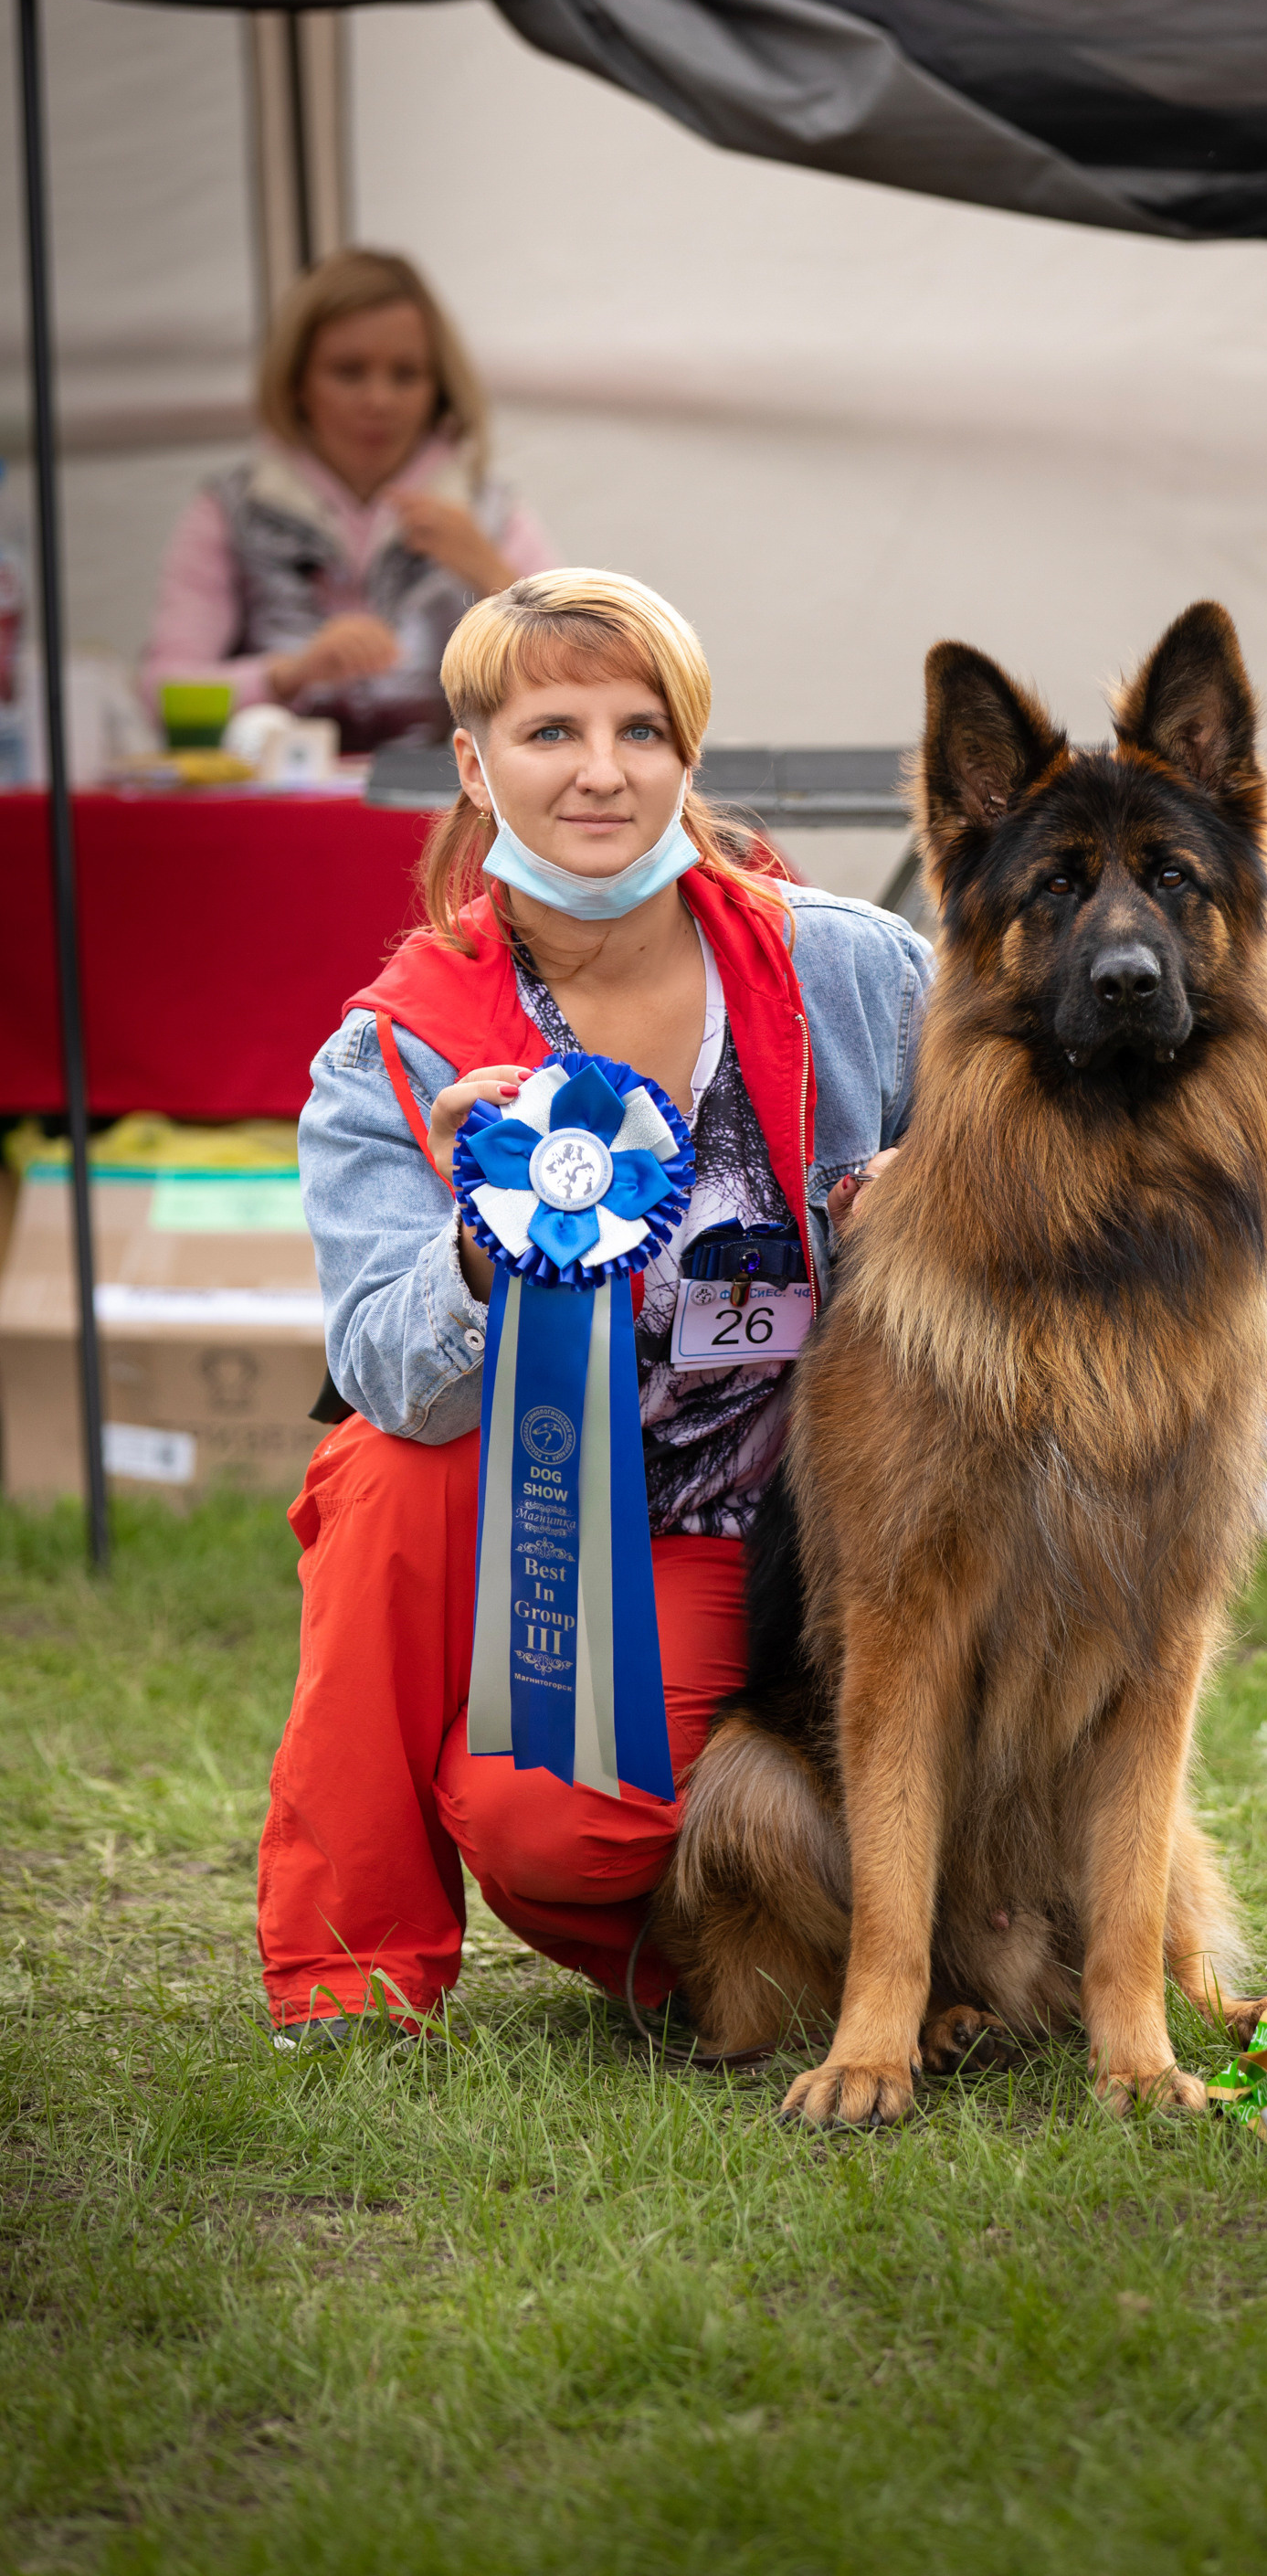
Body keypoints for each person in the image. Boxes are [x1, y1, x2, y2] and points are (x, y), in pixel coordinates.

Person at [258, 568, 930, 2041]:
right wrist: (480, 1249)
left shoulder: (859, 971)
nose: (603, 772)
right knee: (396, 1508)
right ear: (474, 763)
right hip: (576, 1531)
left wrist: (928, 1196)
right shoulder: (396, 1053)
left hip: (810, 1518)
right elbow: (384, 1371)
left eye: (643, 729)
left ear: (691, 753)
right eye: (551, 731)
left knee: (558, 1800)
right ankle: (419, 1956)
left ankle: (892, 1946)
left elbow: (1029, 1153)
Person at [141, 247, 553, 754]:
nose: (378, 400)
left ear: (439, 390)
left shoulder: (490, 513)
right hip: (275, 798)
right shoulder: (230, 509)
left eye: (406, 374)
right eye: (349, 371)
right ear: (296, 383)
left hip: (449, 797)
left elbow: (584, 679)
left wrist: (495, 577)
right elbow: (161, 693)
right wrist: (289, 674)